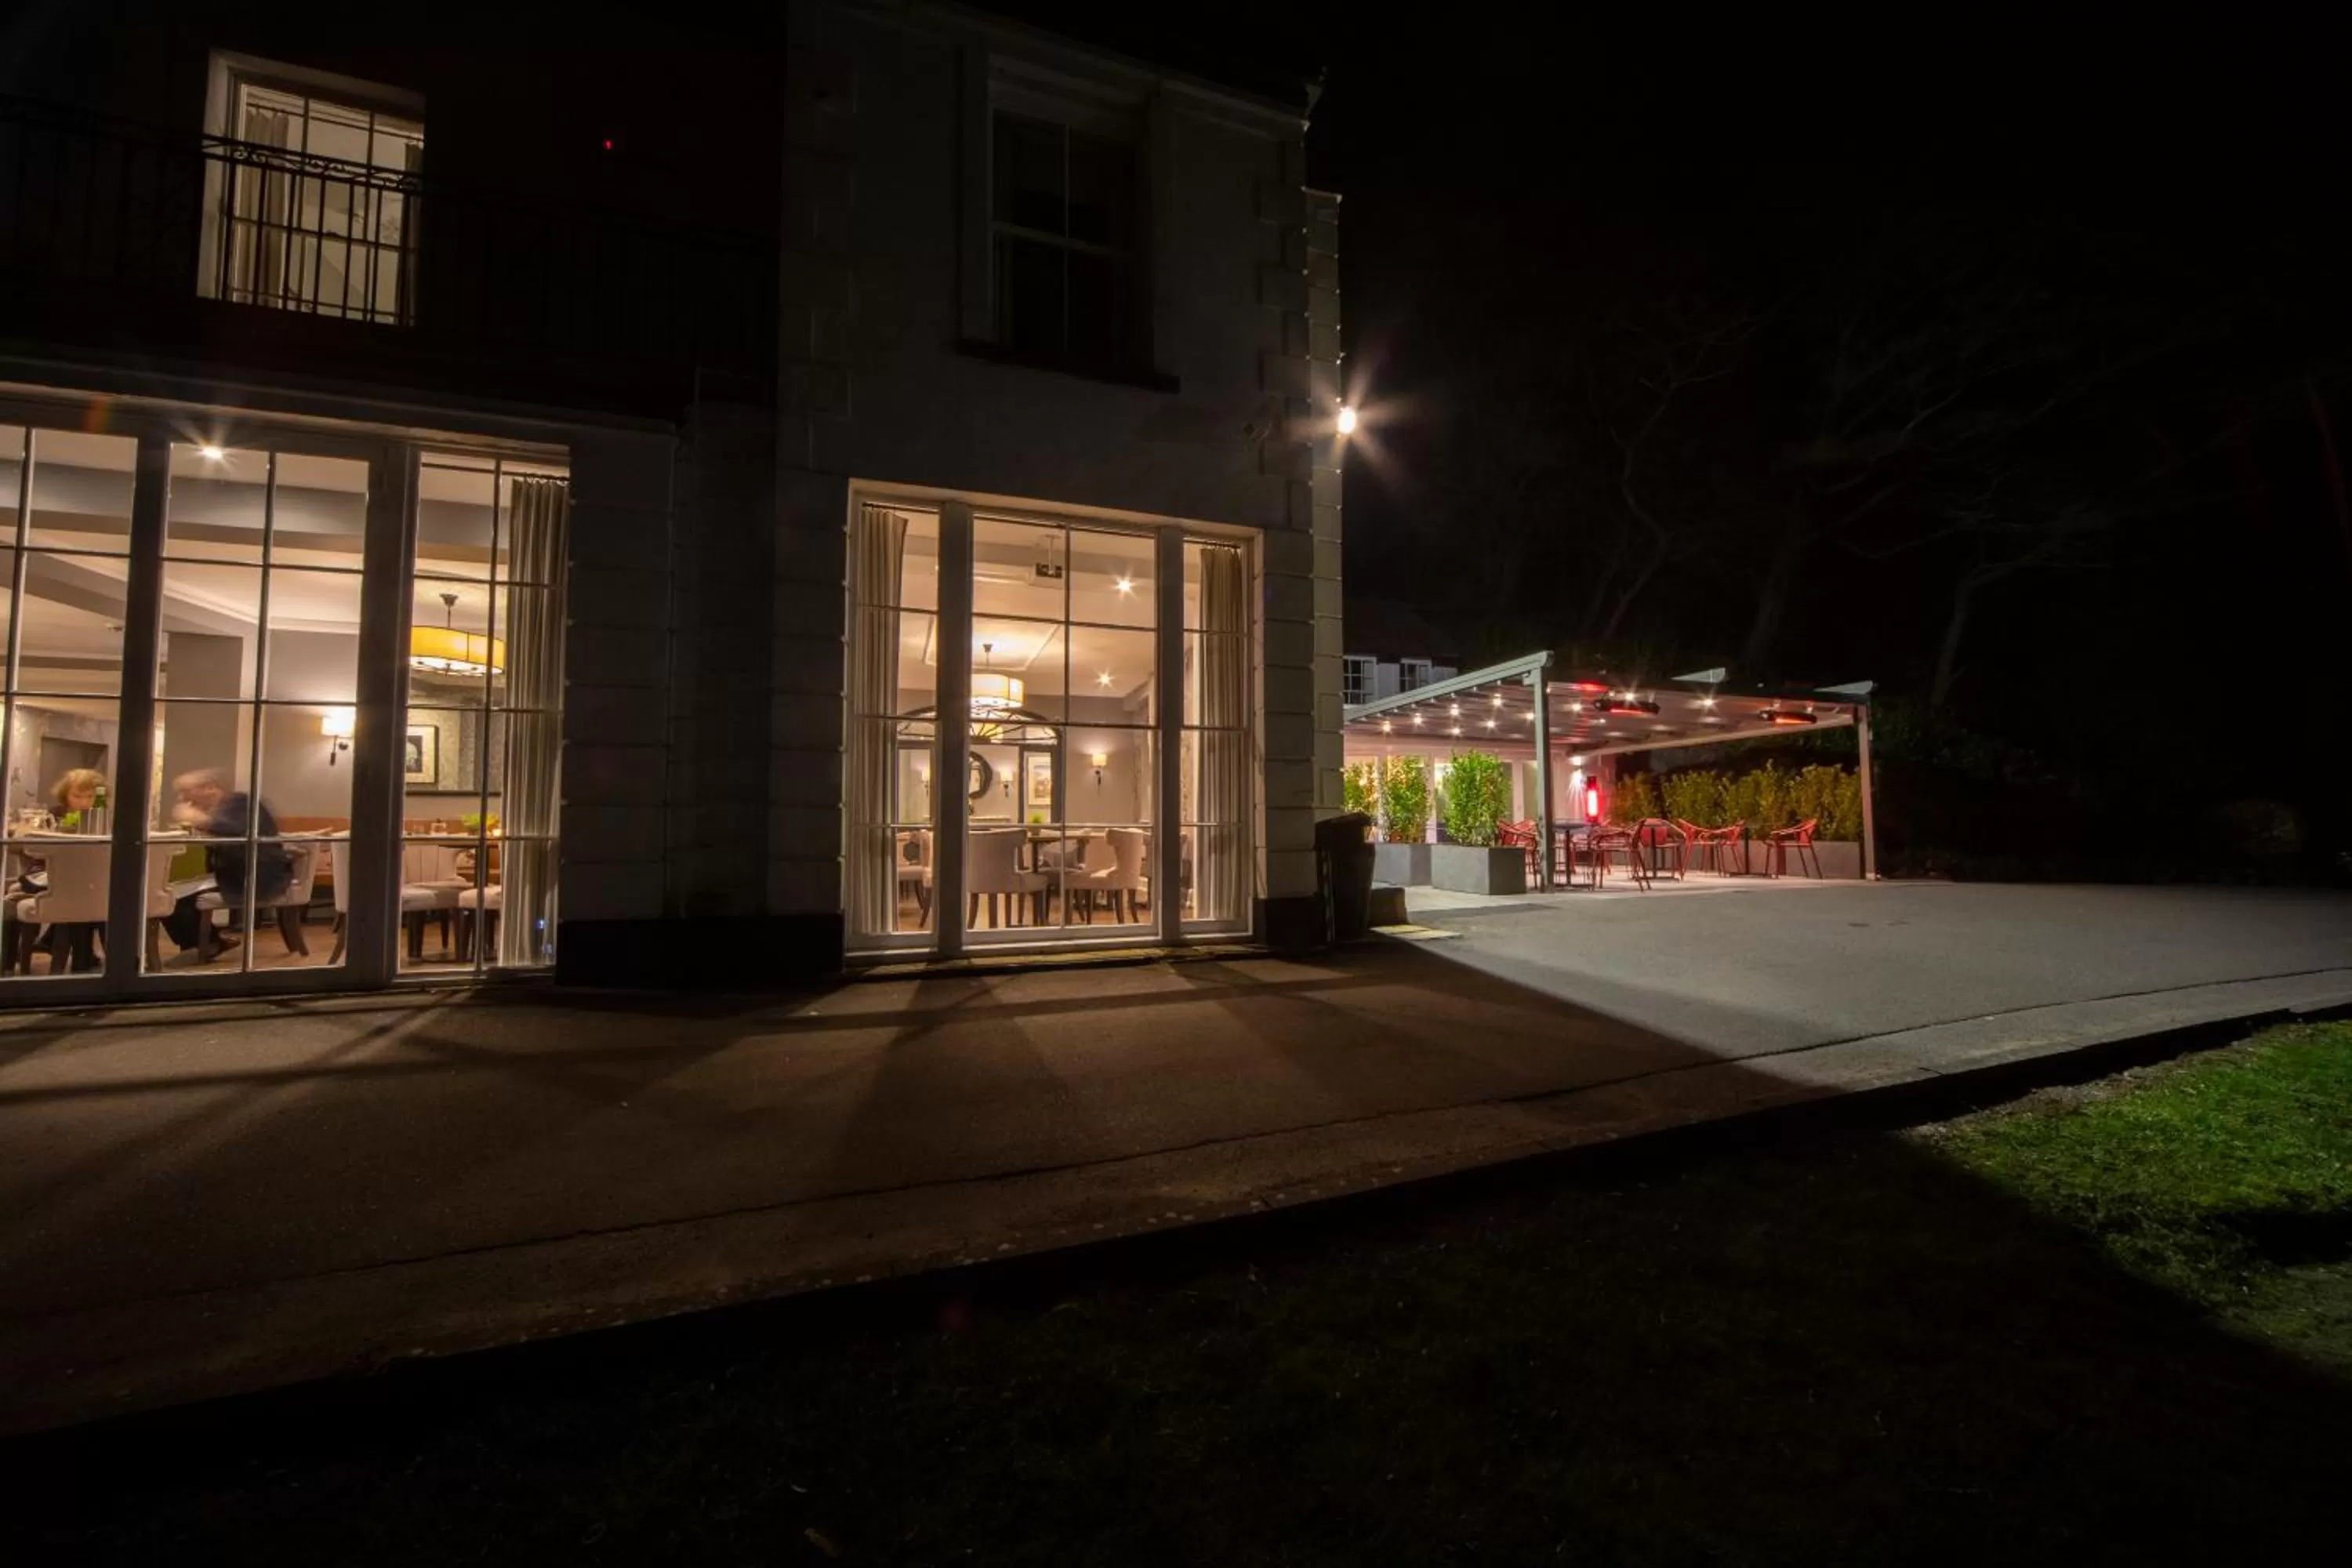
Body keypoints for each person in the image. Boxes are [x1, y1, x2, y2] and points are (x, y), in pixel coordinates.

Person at [161, 768, 292, 958]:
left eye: (187, 792)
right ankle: (208, 943)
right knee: (169, 894)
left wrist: (199, 819)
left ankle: (207, 945)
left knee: (174, 899)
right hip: (237, 874)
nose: (184, 798)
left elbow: (236, 831)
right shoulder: (223, 809)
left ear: (209, 788)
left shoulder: (241, 803)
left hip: (257, 877)